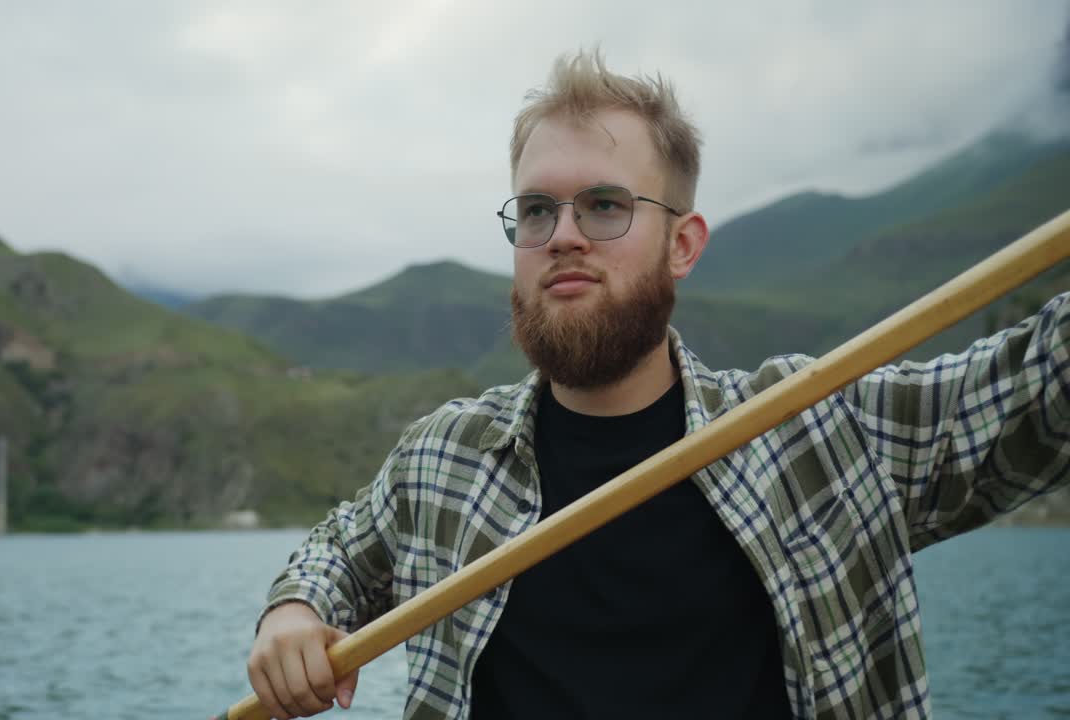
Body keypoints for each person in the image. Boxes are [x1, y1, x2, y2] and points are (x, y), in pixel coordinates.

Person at [243, 49, 1070, 720]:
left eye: (604, 206)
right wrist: (293, 612)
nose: (562, 236)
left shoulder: (817, 429)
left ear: (684, 244)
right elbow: (337, 552)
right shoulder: (443, 459)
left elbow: (1045, 382)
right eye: (536, 211)